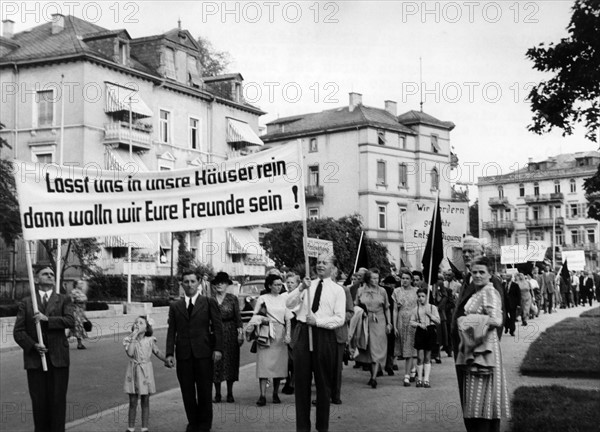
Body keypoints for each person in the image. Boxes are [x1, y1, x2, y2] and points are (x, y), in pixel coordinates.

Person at [286, 253, 345, 432]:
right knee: (302, 384)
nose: (320, 265)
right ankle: (302, 427)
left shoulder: (337, 290)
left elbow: (340, 318)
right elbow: (289, 304)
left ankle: (322, 427)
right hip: (304, 333)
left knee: (323, 385)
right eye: (318, 262)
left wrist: (318, 322)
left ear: (333, 268)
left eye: (324, 263)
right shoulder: (307, 285)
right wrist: (301, 288)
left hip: (324, 337)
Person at [13, 266, 75, 432]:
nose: (50, 276)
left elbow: (70, 321)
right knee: (39, 404)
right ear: (36, 279)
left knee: (57, 403)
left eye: (52, 274)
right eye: (45, 274)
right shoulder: (27, 302)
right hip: (35, 361)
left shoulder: (63, 299)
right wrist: (33, 346)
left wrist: (47, 319)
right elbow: (18, 332)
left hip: (58, 360)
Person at [455, 257, 510, 432]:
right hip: (474, 345)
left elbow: (497, 319)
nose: (477, 275)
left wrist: (467, 321)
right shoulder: (478, 292)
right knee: (475, 394)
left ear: (490, 274)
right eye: (474, 272)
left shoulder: (489, 292)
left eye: (482, 272)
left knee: (483, 393)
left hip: (485, 347)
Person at [165, 270, 223, 432]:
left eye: (192, 281)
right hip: (184, 355)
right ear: (182, 284)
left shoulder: (208, 302)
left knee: (204, 390)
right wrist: (169, 353)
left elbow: (218, 327)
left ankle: (205, 424)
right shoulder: (176, 306)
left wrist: (218, 348)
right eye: (186, 282)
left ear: (198, 283)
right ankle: (193, 422)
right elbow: (172, 331)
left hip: (204, 353)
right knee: (187, 392)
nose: (189, 285)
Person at [247, 274, 292, 406]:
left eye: (280, 284)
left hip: (279, 334)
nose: (279, 287)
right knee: (263, 365)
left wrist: (288, 334)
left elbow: (288, 318)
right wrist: (263, 319)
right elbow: (255, 315)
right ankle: (262, 395)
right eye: (276, 284)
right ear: (269, 285)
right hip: (265, 334)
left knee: (279, 366)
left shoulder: (285, 299)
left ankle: (275, 394)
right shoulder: (263, 298)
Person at [124, 315, 168, 432]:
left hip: (146, 372)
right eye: (136, 322)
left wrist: (166, 360)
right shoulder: (128, 339)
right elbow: (130, 352)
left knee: (145, 400)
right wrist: (133, 336)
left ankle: (144, 428)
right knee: (133, 401)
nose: (137, 324)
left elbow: (157, 352)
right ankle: (131, 428)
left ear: (147, 328)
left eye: (141, 323)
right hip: (133, 371)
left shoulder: (150, 340)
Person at [354, 269, 391, 388]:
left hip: (379, 320)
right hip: (365, 320)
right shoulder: (360, 291)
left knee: (377, 347)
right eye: (373, 278)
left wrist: (389, 323)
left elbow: (386, 308)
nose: (376, 280)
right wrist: (360, 313)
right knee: (367, 347)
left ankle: (374, 377)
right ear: (368, 279)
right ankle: (372, 373)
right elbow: (355, 306)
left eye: (377, 278)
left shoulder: (382, 291)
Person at [211, 272, 243, 403]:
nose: (219, 285)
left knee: (231, 361)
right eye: (217, 282)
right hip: (214, 333)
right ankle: (217, 393)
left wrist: (240, 333)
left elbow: (238, 318)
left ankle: (230, 392)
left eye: (222, 282)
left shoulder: (232, 298)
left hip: (230, 332)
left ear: (227, 285)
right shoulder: (210, 299)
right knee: (215, 363)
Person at [410, 287, 440, 388]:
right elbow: (411, 322)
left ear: (427, 297)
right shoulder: (415, 309)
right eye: (419, 296)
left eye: (423, 296)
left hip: (430, 331)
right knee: (420, 357)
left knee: (427, 357)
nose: (420, 298)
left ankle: (426, 379)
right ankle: (419, 379)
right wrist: (418, 324)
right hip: (420, 332)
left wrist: (430, 315)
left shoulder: (432, 308)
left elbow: (438, 321)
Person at [331, 269, 354, 404]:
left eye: (332, 272)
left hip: (338, 332)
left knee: (336, 366)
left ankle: (335, 394)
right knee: (322, 366)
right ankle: (323, 394)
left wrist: (339, 319)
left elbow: (350, 311)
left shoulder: (344, 290)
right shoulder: (318, 289)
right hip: (322, 332)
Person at [392, 270, 418, 387]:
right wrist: (394, 325)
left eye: (407, 278)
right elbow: (394, 310)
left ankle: (408, 374)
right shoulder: (396, 291)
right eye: (403, 278)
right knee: (405, 346)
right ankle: (412, 369)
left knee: (411, 346)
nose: (405, 280)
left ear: (411, 280)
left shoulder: (416, 291)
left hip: (413, 320)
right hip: (401, 321)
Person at [282, 272, 300, 395]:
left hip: (295, 327)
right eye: (287, 282)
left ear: (297, 284)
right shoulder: (283, 295)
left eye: (292, 282)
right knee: (285, 358)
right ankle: (287, 379)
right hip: (283, 327)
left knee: (294, 358)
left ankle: (293, 382)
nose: (289, 285)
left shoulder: (300, 295)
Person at [69, 280, 89, 349]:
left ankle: (79, 343)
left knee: (76, 328)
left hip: (81, 312)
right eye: (80, 283)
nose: (82, 284)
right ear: (76, 285)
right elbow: (70, 302)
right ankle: (79, 344)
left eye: (82, 283)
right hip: (76, 311)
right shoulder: (74, 292)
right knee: (77, 327)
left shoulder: (81, 292)